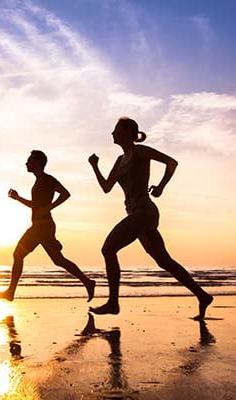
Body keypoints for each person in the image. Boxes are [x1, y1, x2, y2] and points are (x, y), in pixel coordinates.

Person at [88, 117, 213, 319]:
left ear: (129, 131)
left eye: (116, 129)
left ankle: (113, 302)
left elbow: (172, 163)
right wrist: (95, 166)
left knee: (108, 248)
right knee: (164, 261)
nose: (112, 133)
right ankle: (202, 296)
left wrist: (161, 186)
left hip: (144, 211)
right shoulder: (120, 161)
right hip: (135, 213)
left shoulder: (140, 151)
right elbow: (106, 187)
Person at [0, 150, 95, 302]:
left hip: (42, 227)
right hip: (41, 226)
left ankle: (10, 292)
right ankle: (88, 282)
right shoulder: (38, 181)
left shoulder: (47, 179)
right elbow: (35, 206)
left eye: (30, 160)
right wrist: (18, 198)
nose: (27, 163)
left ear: (38, 163)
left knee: (18, 254)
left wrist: (49, 207)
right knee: (58, 260)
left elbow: (66, 194)